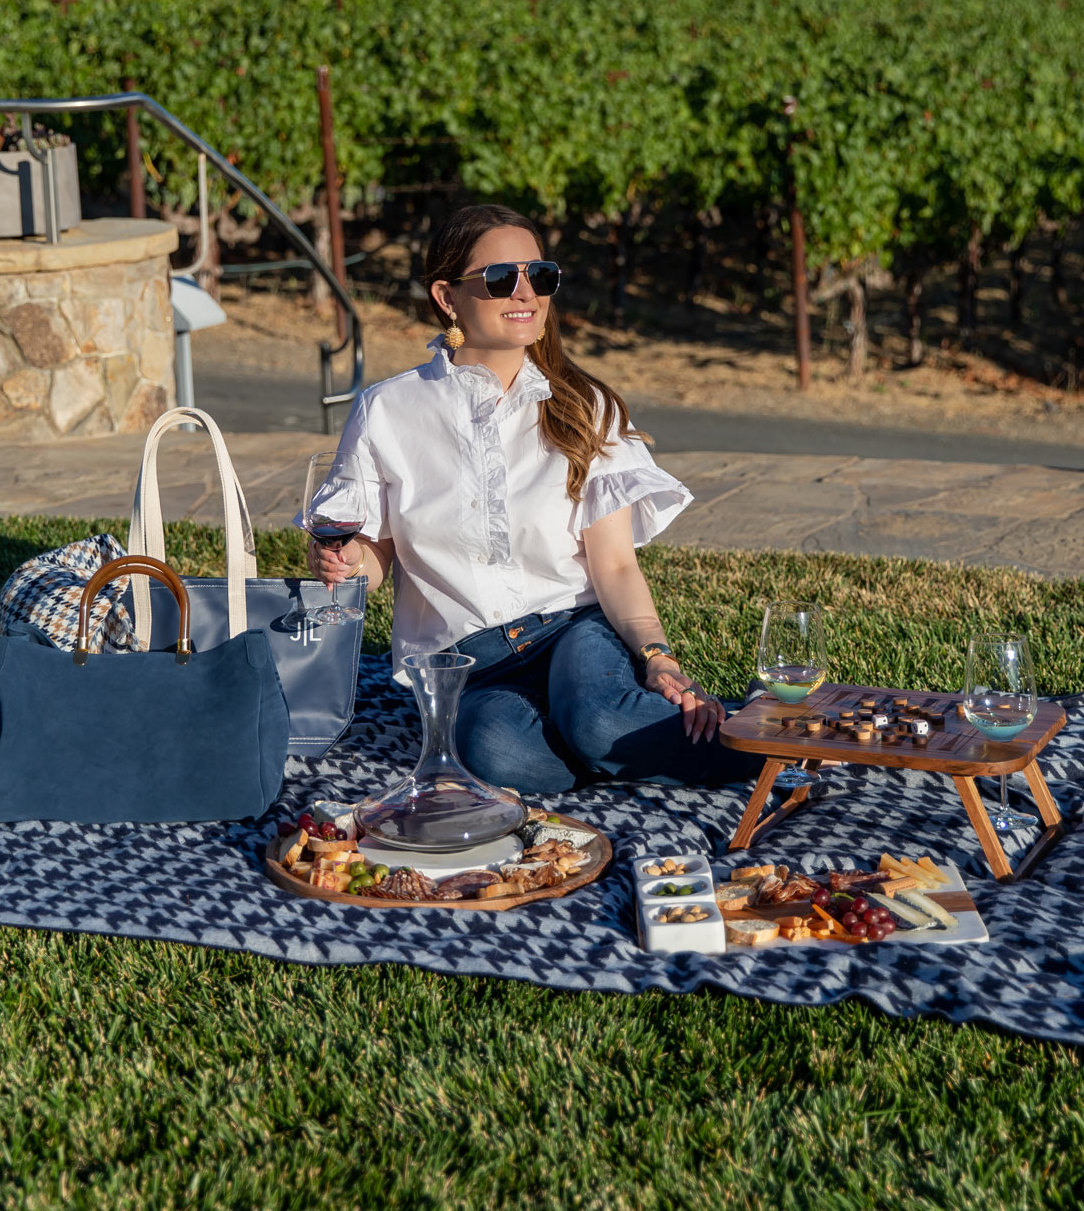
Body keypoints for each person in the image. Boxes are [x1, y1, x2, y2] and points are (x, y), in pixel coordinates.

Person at [307, 203, 763, 796]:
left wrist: (658, 656)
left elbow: (616, 565)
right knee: (495, 750)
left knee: (598, 718)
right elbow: (371, 561)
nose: (526, 292)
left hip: (571, 629)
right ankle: (646, 744)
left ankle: (768, 742)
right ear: (447, 296)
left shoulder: (584, 406)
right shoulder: (388, 411)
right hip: (465, 662)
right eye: (501, 279)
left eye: (540, 275)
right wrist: (342, 565)